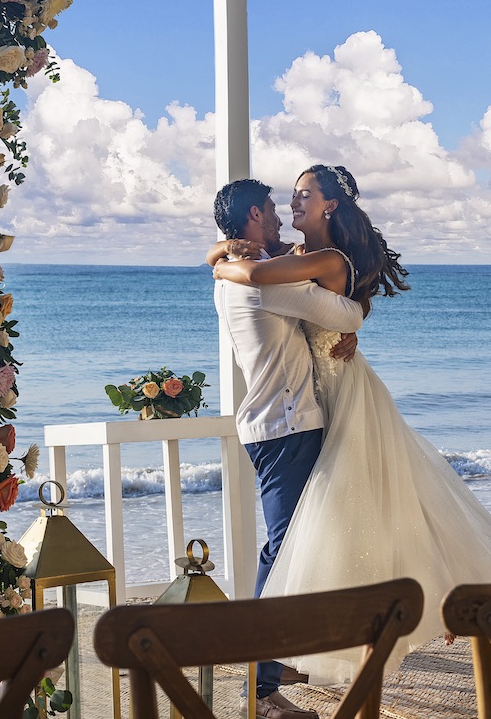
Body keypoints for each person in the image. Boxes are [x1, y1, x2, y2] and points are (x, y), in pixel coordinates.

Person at [213, 165, 491, 682]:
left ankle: (428, 598)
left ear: (330, 206)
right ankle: (293, 654)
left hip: (336, 396)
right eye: (286, 199)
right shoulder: (291, 258)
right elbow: (300, 299)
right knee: (343, 520)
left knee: (383, 505)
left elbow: (288, 294)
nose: (290, 205)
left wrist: (222, 264)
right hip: (311, 403)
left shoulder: (324, 259)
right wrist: (223, 254)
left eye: (302, 196)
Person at [211, 178, 365, 719]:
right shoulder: (259, 283)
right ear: (255, 214)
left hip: (275, 427)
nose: (280, 217)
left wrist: (221, 257)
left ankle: (274, 659)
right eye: (272, 209)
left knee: (291, 545)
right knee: (279, 553)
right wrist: (354, 320)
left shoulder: (244, 271)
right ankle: (261, 689)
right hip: (287, 429)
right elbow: (344, 316)